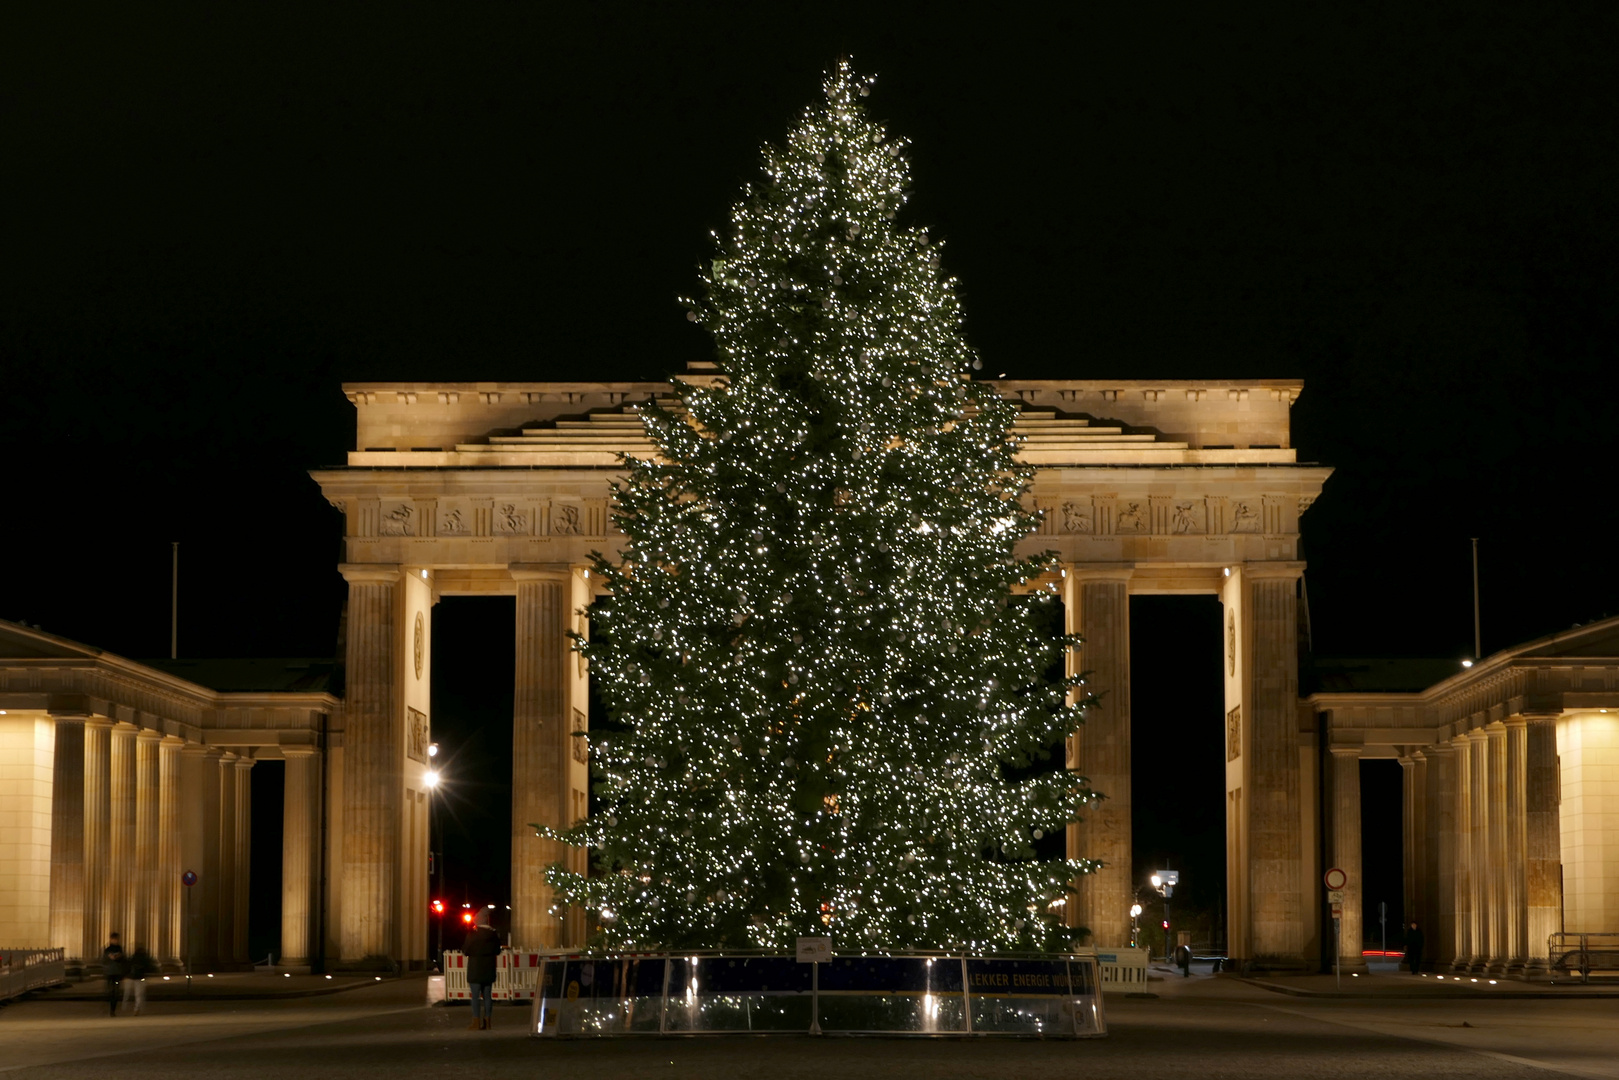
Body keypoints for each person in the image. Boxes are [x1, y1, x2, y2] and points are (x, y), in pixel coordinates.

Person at [463, 910, 500, 1030]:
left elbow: (465, 950)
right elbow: (498, 951)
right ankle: (488, 1021)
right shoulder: (493, 934)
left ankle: (476, 1022)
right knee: (488, 996)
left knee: (475, 996)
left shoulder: (472, 934)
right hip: (489, 968)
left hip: (475, 969)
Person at [122, 943, 156, 1015]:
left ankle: (124, 1007)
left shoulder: (133, 958)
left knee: (127, 994)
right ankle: (136, 1009)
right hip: (139, 978)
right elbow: (150, 967)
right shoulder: (145, 959)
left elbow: (127, 966)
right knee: (139, 995)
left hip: (131, 977)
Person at [102, 932, 125, 1017]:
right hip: (110, 973)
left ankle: (112, 1010)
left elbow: (118, 957)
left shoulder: (119, 948)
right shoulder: (108, 949)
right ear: (111, 939)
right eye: (115, 939)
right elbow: (113, 957)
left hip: (116, 973)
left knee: (115, 992)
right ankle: (111, 1009)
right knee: (111, 992)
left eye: (117, 939)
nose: (116, 941)